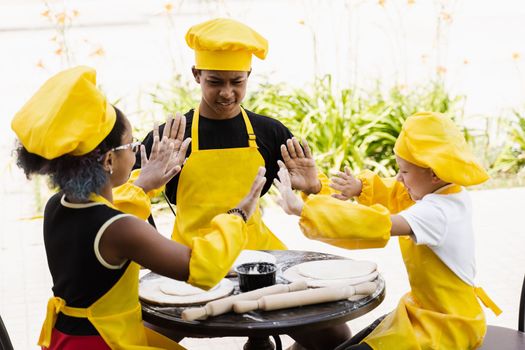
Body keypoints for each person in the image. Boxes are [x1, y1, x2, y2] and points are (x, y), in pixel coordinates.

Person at [124, 18, 349, 350]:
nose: (227, 93)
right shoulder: (172, 137)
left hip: (261, 260)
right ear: (196, 75)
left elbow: (322, 205)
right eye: (215, 81)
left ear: (248, 78)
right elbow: (125, 203)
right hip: (191, 262)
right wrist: (146, 200)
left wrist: (314, 187)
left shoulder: (270, 133)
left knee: (334, 337)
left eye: (237, 82)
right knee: (138, 339)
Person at [12, 66, 267, 350]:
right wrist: (240, 213)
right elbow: (203, 269)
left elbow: (104, 220)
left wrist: (143, 185)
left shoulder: (57, 206)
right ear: (109, 160)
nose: (135, 152)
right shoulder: (121, 229)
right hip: (106, 342)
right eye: (130, 145)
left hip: (67, 338)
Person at [273, 112, 502, 349]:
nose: (398, 178)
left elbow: (375, 225)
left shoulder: (438, 213)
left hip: (447, 326)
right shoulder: (446, 191)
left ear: (434, 173)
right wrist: (359, 187)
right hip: (424, 313)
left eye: (403, 171)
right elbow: (398, 193)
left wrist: (305, 210)